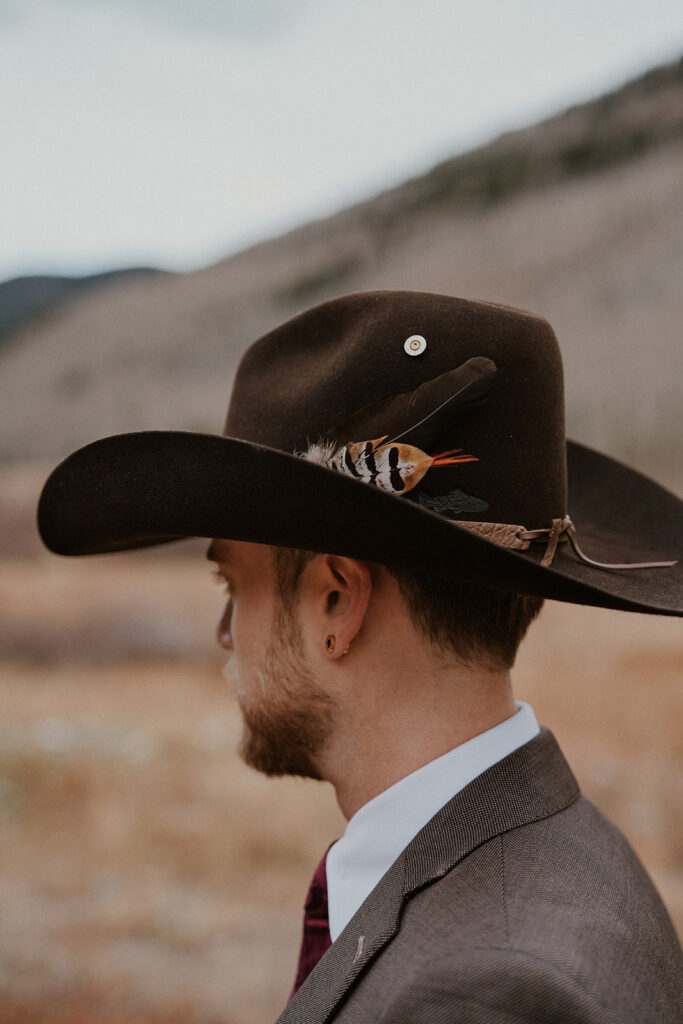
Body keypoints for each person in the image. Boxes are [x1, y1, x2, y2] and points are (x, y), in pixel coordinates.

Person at [38, 291, 682, 1022]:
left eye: (232, 584)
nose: (225, 632)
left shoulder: (482, 992)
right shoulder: (561, 852)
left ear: (336, 601)